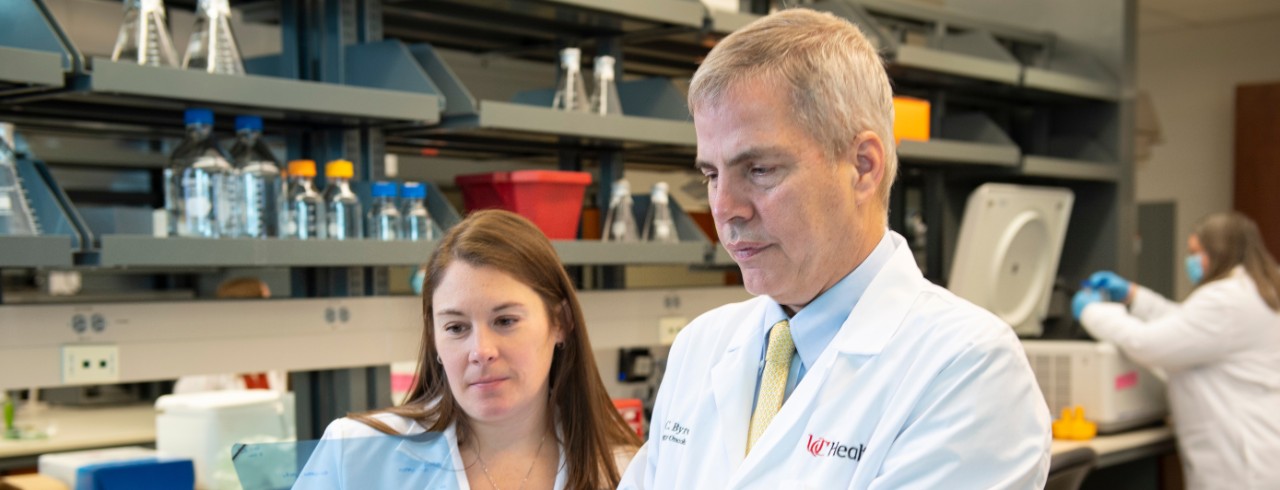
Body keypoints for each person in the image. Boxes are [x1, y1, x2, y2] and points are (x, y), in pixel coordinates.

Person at [620, 8, 1051, 489]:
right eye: (711, 175)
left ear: (862, 167)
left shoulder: (967, 368)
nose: (724, 209)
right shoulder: (700, 347)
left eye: (759, 170)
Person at [297, 209, 640, 489]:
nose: (481, 351)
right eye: (456, 328)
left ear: (560, 322)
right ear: (434, 337)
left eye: (505, 321)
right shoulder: (355, 454)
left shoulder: (627, 472)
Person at [1073, 211, 1280, 489]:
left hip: (1242, 461)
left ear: (1218, 252)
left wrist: (1092, 312)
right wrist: (1133, 296)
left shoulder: (1224, 300)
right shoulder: (1255, 290)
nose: (1190, 261)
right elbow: (1188, 326)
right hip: (1259, 444)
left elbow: (1148, 344)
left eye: (1195, 252)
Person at [172, 276, 285, 393]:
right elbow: (183, 394)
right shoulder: (212, 361)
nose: (273, 310)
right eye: (267, 302)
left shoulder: (275, 354)